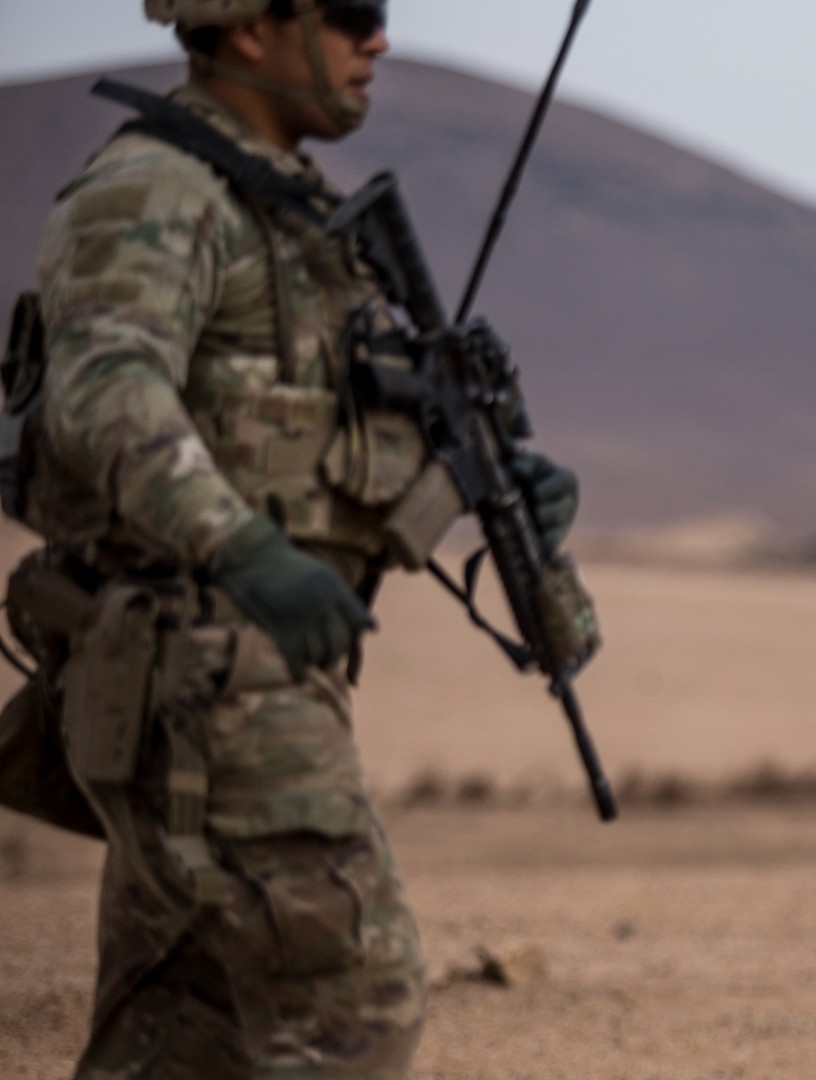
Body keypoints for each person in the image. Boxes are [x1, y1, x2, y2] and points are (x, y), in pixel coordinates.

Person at [4, 1, 579, 1074]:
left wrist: (484, 478)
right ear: (249, 28)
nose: (380, 41)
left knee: (178, 1033)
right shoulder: (155, 189)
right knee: (354, 1004)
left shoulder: (290, 218)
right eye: (350, 13)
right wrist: (244, 551)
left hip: (220, 679)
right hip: (207, 671)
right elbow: (105, 394)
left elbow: (309, 443)